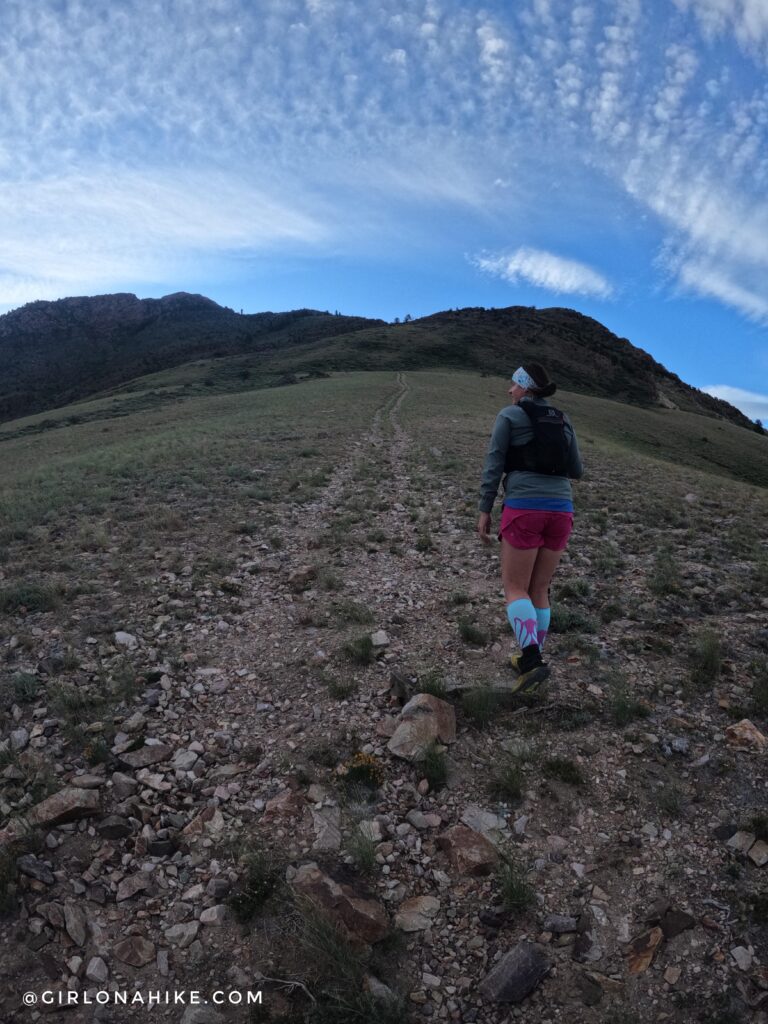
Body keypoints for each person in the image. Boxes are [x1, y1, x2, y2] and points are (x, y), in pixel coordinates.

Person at [477, 363, 583, 694]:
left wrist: (485, 508)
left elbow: (494, 463)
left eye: (513, 384)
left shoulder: (509, 417)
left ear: (525, 388)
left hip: (524, 508)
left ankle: (533, 661)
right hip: (562, 511)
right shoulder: (564, 420)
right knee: (539, 589)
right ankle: (529, 658)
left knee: (514, 587)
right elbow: (576, 469)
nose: (509, 390)